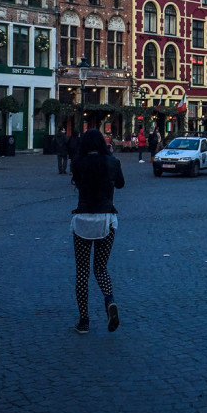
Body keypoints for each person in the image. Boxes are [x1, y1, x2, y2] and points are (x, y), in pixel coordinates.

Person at [70, 128, 125, 334]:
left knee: (82, 273)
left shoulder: (78, 163)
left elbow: (77, 179)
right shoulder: (112, 162)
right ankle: (109, 301)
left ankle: (84, 321)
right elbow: (120, 184)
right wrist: (110, 156)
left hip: (83, 218)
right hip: (106, 218)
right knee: (101, 268)